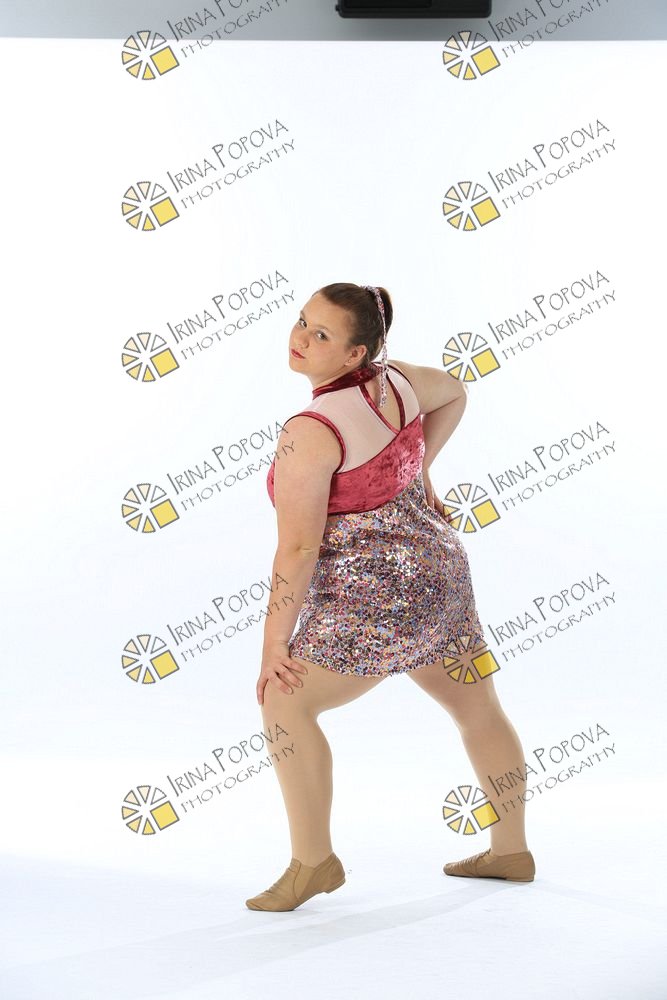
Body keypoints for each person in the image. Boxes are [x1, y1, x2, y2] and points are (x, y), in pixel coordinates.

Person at [246, 283, 535, 912]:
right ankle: (511, 849)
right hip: (439, 572)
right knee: (479, 709)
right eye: (302, 321)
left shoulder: (311, 432)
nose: (300, 338)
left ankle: (313, 863)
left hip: (374, 595)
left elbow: (298, 549)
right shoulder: (398, 381)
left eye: (321, 334)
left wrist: (274, 645)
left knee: (284, 702)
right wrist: (419, 469)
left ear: (355, 354)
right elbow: (455, 391)